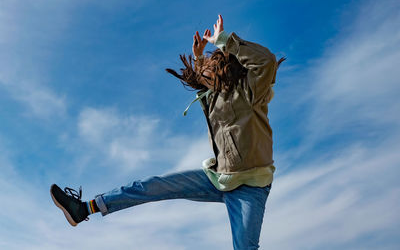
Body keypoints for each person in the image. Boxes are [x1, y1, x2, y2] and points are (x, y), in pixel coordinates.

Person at [50, 15, 285, 250]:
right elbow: (201, 76)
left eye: (209, 70)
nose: (203, 75)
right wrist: (198, 56)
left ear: (223, 70)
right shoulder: (212, 96)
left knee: (245, 247)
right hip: (218, 177)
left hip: (251, 185)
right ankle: (84, 209)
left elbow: (266, 62)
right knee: (152, 185)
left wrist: (223, 40)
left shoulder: (251, 92)